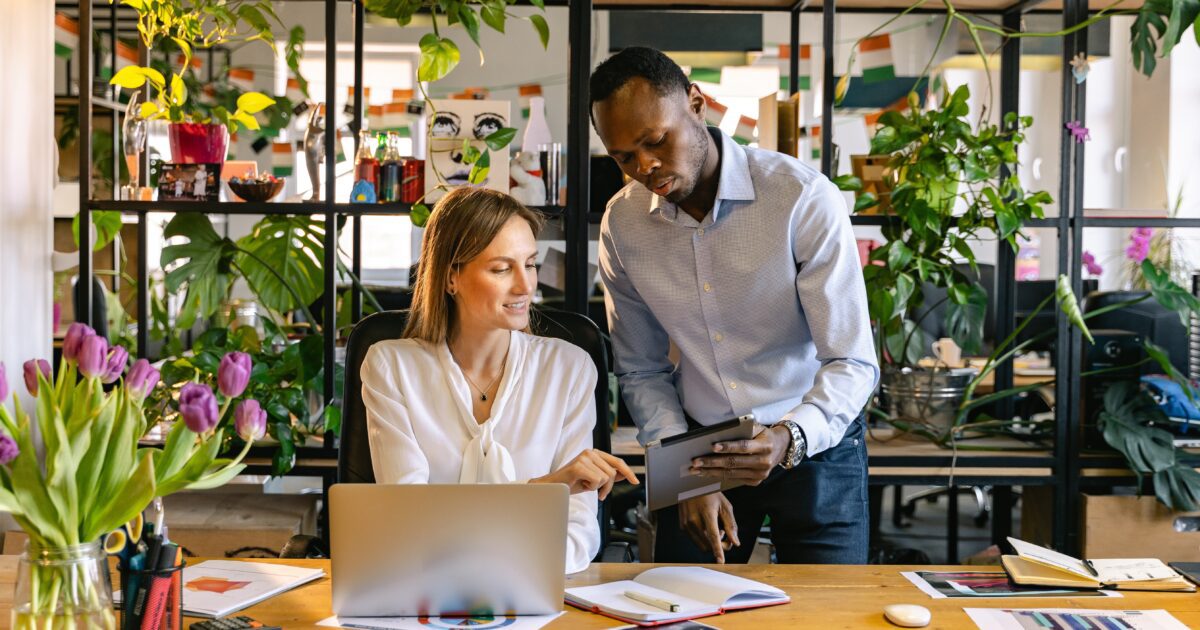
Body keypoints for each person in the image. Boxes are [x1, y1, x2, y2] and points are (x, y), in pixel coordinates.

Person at [591, 47, 879, 564]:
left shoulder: (801, 198)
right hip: (697, 450)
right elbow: (640, 369)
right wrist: (681, 473)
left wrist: (788, 437)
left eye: (656, 141)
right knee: (682, 608)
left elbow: (851, 361)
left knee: (831, 613)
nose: (645, 167)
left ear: (697, 105)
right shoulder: (623, 224)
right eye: (623, 156)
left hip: (813, 435)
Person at [360, 186, 637, 573]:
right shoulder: (391, 368)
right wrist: (543, 491)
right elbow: (409, 525)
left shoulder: (569, 369)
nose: (525, 286)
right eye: (502, 268)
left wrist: (466, 542)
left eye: (530, 263)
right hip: (424, 596)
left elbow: (578, 536)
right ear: (450, 277)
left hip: (536, 600)